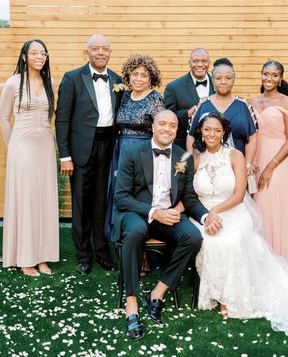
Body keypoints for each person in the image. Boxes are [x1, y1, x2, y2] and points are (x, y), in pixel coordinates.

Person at [191, 112, 288, 335]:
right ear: (201, 132)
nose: (212, 134)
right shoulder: (196, 159)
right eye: (207, 130)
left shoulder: (235, 156)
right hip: (203, 213)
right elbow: (189, 195)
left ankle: (229, 296)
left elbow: (239, 193)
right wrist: (206, 214)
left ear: (224, 132)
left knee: (231, 239)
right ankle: (215, 291)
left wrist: (216, 211)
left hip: (232, 210)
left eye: (217, 130)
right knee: (207, 240)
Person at [112, 110, 220, 341]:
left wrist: (206, 217)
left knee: (193, 237)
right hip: (136, 214)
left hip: (167, 218)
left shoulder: (184, 158)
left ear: (176, 130)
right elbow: (121, 197)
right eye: (162, 124)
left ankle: (157, 293)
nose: (167, 129)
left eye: (172, 126)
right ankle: (132, 305)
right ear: (153, 126)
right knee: (136, 231)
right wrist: (154, 213)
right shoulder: (132, 152)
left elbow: (189, 198)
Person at [55, 34, 121, 275]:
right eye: (96, 48)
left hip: (108, 146)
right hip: (82, 149)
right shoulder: (72, 78)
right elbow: (62, 118)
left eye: (105, 48)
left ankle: (103, 253)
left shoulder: (117, 79)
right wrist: (65, 156)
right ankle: (83, 255)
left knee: (102, 203)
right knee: (82, 203)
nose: (101, 52)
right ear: (87, 52)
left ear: (110, 52)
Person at [0, 39, 59, 276]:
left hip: (44, 144)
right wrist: (12, 145)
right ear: (24, 56)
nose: (39, 57)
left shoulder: (50, 81)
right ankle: (24, 258)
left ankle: (42, 257)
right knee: (25, 198)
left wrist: (46, 134)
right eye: (34, 52)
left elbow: (50, 116)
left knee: (44, 197)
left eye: (43, 53)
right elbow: (3, 118)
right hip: (21, 146)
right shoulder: (13, 83)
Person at [251, 61, 288, 272]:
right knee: (258, 210)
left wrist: (271, 166)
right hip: (258, 158)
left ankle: (280, 257)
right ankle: (261, 258)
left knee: (273, 206)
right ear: (261, 75)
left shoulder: (286, 102)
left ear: (280, 78)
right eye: (266, 74)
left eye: (274, 75)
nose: (269, 78)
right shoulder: (254, 101)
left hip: (279, 161)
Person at [104, 54, 165, 242]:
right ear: (128, 76)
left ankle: (142, 246)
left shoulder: (156, 99)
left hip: (144, 152)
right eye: (135, 74)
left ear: (151, 79)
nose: (139, 79)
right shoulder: (123, 96)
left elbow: (162, 129)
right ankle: (119, 237)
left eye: (144, 75)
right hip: (121, 149)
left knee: (139, 194)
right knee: (119, 191)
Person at [186, 60, 257, 165]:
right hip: (206, 165)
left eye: (228, 78)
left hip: (236, 165)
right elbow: (191, 135)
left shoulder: (244, 105)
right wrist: (191, 163)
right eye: (218, 78)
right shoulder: (203, 104)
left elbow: (252, 137)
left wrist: (248, 164)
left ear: (233, 80)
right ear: (213, 80)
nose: (223, 82)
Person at [164, 48, 214, 149]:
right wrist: (187, 114)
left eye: (204, 61)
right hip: (183, 146)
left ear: (209, 63)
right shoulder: (174, 87)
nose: (200, 65)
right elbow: (167, 117)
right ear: (189, 63)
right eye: (195, 61)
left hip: (214, 145)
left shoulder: (218, 84)